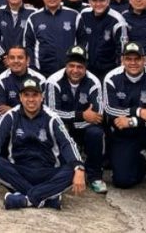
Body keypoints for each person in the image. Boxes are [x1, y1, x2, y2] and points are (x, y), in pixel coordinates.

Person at [0, 76, 86, 210]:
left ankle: (26, 199)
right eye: (26, 95)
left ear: (41, 97)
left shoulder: (52, 117)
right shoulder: (11, 115)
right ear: (20, 97)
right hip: (19, 171)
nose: (31, 99)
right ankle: (46, 198)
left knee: (75, 169)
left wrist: (79, 167)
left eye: (35, 95)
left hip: (47, 172)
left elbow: (67, 143)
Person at [103, 42, 146, 198]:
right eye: (129, 59)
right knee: (122, 181)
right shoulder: (111, 78)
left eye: (137, 59)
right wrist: (139, 111)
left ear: (145, 60)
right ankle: (143, 160)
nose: (133, 63)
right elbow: (109, 109)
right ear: (122, 60)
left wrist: (132, 121)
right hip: (125, 134)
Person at [45, 46, 107, 193]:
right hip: (63, 128)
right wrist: (81, 115)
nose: (75, 70)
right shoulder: (53, 81)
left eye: (80, 66)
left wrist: (71, 119)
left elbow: (97, 115)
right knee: (56, 129)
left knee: (96, 132)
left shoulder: (94, 82)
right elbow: (51, 114)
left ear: (85, 67)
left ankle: (95, 177)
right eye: (71, 66)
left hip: (86, 128)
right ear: (66, 65)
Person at [23, 0, 80, 77]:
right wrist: (33, 66)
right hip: (41, 71)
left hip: (69, 70)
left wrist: (76, 63)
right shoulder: (34, 17)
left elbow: (82, 41)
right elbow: (28, 44)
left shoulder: (74, 15)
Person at [75, 0, 127, 82]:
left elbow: (123, 50)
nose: (98, 4)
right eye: (95, 0)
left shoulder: (117, 20)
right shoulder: (84, 15)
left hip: (109, 70)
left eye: (102, 0)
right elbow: (79, 40)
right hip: (87, 69)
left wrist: (120, 72)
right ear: (89, 2)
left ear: (108, 1)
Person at [0, 45, 45, 117]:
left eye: (20, 57)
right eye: (12, 58)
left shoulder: (40, 80)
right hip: (11, 126)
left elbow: (45, 108)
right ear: (7, 60)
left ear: (27, 60)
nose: (16, 61)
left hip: (36, 124)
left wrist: (12, 110)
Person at [0, 0, 36, 67]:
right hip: (4, 61)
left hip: (25, 61)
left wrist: (29, 56)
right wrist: (4, 56)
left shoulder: (32, 12)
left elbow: (34, 38)